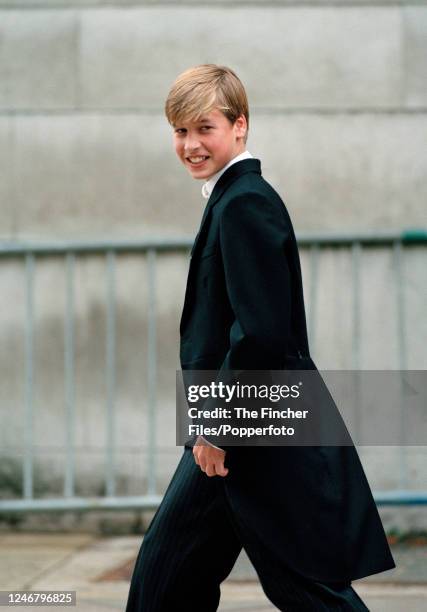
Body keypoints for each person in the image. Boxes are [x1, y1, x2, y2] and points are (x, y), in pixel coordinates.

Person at [126, 64, 395, 611]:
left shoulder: (245, 201)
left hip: (248, 425)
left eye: (205, 128)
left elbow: (263, 335)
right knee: (168, 581)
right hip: (239, 423)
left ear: (239, 126)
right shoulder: (232, 198)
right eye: (180, 131)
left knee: (300, 588)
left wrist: (217, 427)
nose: (190, 144)